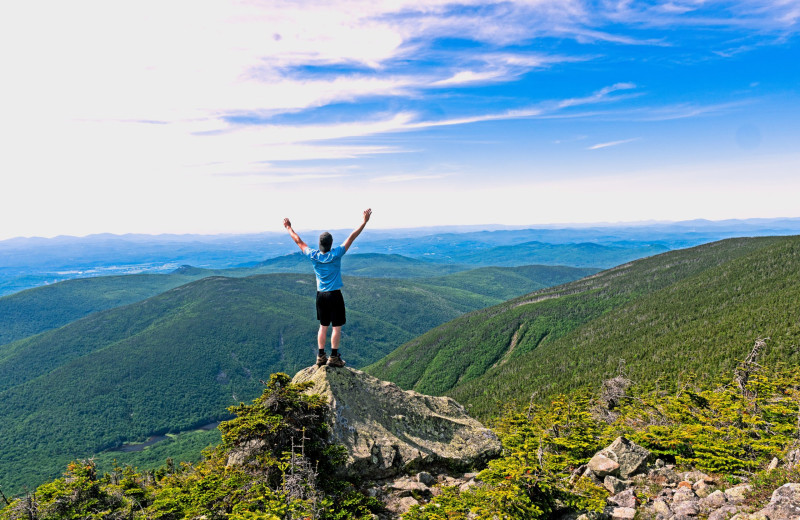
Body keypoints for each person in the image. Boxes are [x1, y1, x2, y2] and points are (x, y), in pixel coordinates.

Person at [283, 209, 372, 367]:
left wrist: (289, 227)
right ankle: (334, 357)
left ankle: (320, 355)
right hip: (334, 295)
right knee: (336, 327)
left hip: (321, 295)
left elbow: (298, 241)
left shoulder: (313, 255)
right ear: (331, 244)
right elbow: (352, 237)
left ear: (320, 244)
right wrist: (364, 222)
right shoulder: (336, 254)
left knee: (323, 326)